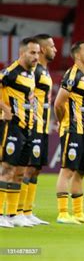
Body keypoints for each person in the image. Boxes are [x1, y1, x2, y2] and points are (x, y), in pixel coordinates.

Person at [54, 41, 84, 224]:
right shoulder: (72, 75)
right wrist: (63, 120)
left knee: (81, 171)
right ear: (78, 55)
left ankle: (78, 213)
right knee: (67, 171)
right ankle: (63, 213)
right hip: (72, 129)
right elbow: (58, 103)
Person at [0, 37, 39, 228]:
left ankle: (13, 214)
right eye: (32, 52)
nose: (36, 57)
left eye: (38, 53)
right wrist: (4, 109)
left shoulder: (31, 75)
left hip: (27, 127)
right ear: (21, 53)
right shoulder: (11, 72)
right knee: (7, 169)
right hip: (12, 127)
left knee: (20, 172)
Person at [21, 34, 57, 226]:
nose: (55, 49)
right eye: (52, 46)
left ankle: (27, 211)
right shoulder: (33, 71)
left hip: (42, 126)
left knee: (35, 168)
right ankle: (16, 211)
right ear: (43, 49)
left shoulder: (44, 71)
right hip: (32, 126)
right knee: (26, 167)